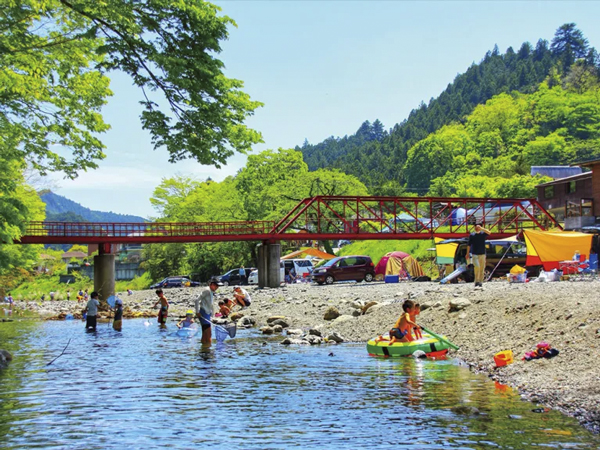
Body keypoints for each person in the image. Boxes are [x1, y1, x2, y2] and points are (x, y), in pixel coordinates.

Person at [195, 279, 219, 346]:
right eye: (216, 286)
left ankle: (204, 350)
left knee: (205, 334)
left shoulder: (211, 291)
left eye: (218, 286)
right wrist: (197, 312)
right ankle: (209, 351)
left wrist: (212, 314)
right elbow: (196, 300)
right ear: (211, 284)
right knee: (209, 334)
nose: (217, 288)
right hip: (203, 313)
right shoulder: (207, 290)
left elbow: (210, 304)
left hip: (207, 314)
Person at [466, 222, 491, 287]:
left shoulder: (483, 234)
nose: (477, 228)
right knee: (477, 266)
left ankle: (480, 281)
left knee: (482, 268)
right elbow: (468, 245)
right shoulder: (472, 235)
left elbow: (489, 232)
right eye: (476, 227)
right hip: (474, 253)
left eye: (478, 227)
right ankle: (476, 280)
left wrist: (482, 228)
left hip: (482, 253)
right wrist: (467, 253)